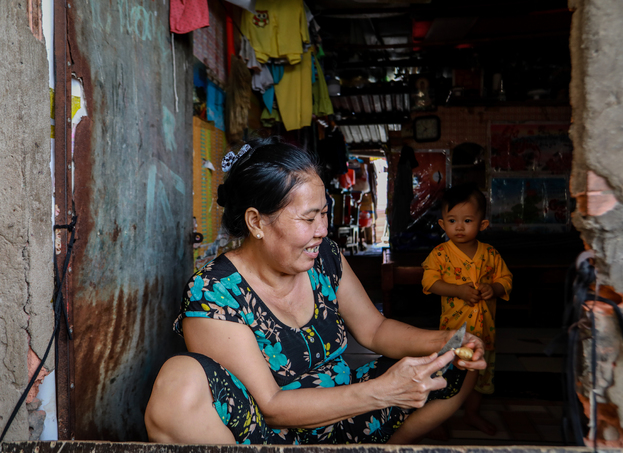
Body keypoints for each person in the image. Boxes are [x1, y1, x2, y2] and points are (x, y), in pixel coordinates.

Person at [144, 137, 487, 445]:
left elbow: (376, 329)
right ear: (256, 222)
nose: (322, 230)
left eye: (324, 214)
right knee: (180, 381)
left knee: (454, 364)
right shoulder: (215, 291)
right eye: (308, 219)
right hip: (272, 436)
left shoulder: (325, 256)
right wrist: (381, 392)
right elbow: (273, 406)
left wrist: (447, 342)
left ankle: (384, 447)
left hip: (346, 414)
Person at [421, 183, 513, 436]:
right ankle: (435, 419)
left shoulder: (491, 254)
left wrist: (493, 289)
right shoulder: (440, 254)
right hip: (452, 332)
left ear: (482, 224)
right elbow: (429, 282)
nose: (459, 226)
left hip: (485, 332)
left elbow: (506, 280)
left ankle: (472, 414)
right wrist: (458, 290)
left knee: (480, 376)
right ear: (443, 224)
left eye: (468, 220)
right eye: (452, 220)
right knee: (446, 374)